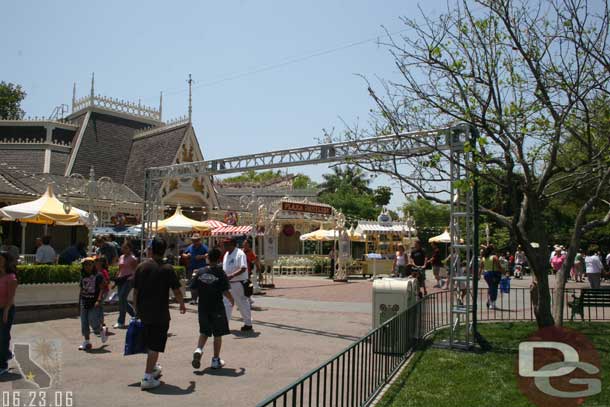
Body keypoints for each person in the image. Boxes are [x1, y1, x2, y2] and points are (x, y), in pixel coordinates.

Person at [133, 237, 186, 391]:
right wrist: (182, 303)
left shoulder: (141, 267)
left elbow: (135, 292)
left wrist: (136, 310)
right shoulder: (168, 269)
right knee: (154, 345)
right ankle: (147, 377)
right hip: (160, 312)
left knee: (150, 342)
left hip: (143, 311)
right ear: (164, 251)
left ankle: (153, 367)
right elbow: (176, 290)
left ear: (151, 249)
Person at [190, 248, 234, 370]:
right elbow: (225, 290)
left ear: (208, 258)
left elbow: (193, 288)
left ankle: (198, 350)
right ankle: (215, 360)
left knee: (204, 332)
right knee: (217, 334)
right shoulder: (220, 272)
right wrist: (232, 300)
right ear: (219, 259)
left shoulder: (200, 272)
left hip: (203, 307)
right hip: (217, 307)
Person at [222, 238, 253, 331]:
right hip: (228, 283)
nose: (224, 246)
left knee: (242, 303)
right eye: (224, 244)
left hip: (238, 283)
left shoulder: (239, 253)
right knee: (226, 303)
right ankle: (224, 325)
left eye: (226, 244)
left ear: (232, 244)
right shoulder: (227, 254)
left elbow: (243, 268)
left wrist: (232, 275)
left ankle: (248, 324)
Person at [78, 257, 108, 351]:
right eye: (85, 265)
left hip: (94, 302)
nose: (88, 267)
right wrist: (78, 302)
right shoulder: (83, 276)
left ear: (93, 265)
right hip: (84, 301)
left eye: (90, 264)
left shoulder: (98, 275)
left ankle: (101, 330)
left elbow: (102, 288)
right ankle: (86, 341)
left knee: (92, 320)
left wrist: (99, 300)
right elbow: (81, 289)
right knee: (84, 322)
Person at [0, 251, 17, 375]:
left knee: (3, 336)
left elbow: (11, 298)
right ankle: (7, 353)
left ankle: (3, 365)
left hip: (7, 310)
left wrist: (6, 311)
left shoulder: (11, 277)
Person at [114, 241, 137, 329]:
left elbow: (136, 270)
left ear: (130, 249)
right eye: (123, 247)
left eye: (126, 248)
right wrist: (116, 279)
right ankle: (135, 315)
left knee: (122, 298)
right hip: (121, 280)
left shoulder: (133, 258)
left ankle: (121, 321)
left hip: (129, 279)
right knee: (122, 299)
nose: (123, 249)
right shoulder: (121, 257)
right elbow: (119, 269)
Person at [181, 233, 208, 305]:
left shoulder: (204, 247)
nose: (194, 241)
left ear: (199, 240)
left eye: (196, 240)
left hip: (201, 269)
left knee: (202, 283)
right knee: (192, 284)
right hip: (191, 268)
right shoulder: (190, 247)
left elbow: (208, 254)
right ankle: (193, 299)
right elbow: (183, 254)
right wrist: (186, 255)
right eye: (193, 240)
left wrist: (201, 256)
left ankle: (202, 299)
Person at [481, 245, 504, 309]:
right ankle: (492, 302)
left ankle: (489, 300)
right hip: (494, 274)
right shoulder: (494, 257)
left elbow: (481, 266)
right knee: (494, 288)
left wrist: (479, 274)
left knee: (491, 287)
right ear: (493, 250)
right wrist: (505, 272)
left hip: (486, 274)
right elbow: (499, 266)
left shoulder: (484, 258)